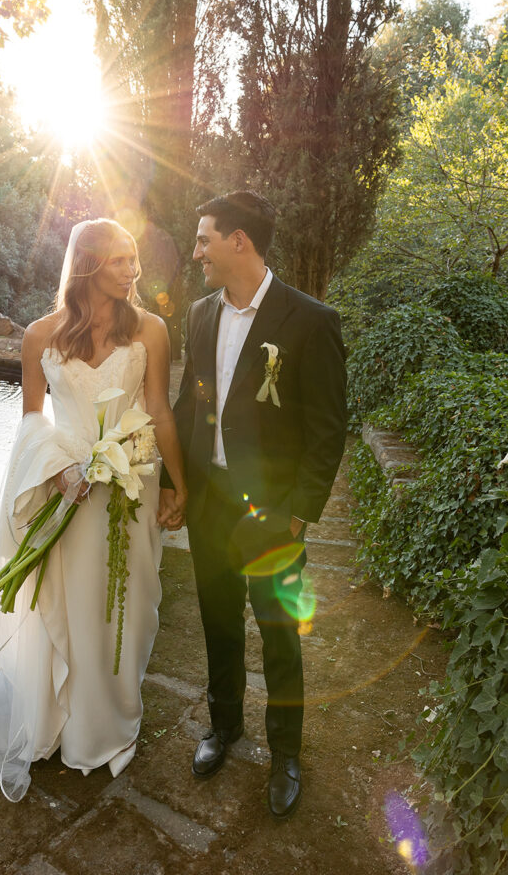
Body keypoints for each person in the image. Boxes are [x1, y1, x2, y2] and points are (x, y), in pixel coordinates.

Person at [0, 219, 187, 802]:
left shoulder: (152, 330)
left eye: (134, 259)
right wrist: (60, 469)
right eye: (120, 261)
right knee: (76, 608)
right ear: (87, 265)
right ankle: (65, 724)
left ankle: (109, 725)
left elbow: (158, 407)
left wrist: (179, 485)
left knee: (128, 609)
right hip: (68, 492)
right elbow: (33, 419)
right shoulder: (39, 336)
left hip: (130, 487)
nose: (133, 270)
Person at [160, 191, 347, 819]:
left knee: (279, 634)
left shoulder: (311, 321)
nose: (197, 251)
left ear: (240, 240)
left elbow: (327, 430)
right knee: (217, 624)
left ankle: (286, 753)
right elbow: (190, 402)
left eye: (205, 238)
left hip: (272, 511)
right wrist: (171, 480)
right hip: (211, 503)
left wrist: (299, 513)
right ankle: (224, 728)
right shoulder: (199, 315)